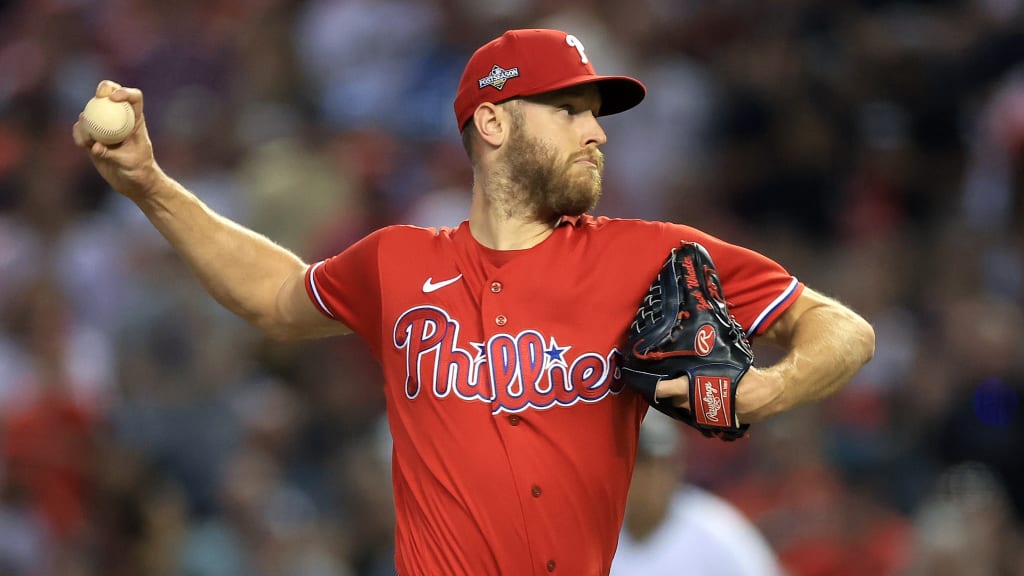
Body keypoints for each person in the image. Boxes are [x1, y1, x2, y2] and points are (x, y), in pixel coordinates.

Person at [72, 28, 874, 576]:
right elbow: (277, 297)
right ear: (492, 120)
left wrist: (771, 387)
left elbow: (843, 329)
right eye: (568, 112)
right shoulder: (398, 260)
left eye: (596, 118)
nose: (595, 134)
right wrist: (149, 184)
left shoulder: (649, 254)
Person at [611, 412, 782, 576]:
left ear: (677, 468)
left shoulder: (719, 532)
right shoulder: (602, 531)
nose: (652, 476)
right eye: (642, 464)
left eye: (662, 465)